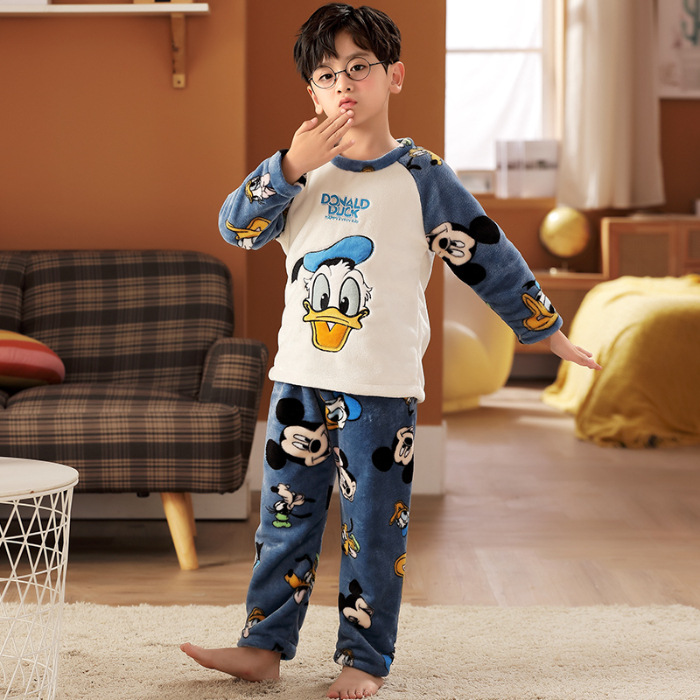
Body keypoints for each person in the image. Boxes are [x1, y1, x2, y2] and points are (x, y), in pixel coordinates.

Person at [180, 4, 601, 698]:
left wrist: (544, 328)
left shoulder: (424, 176)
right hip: (298, 383)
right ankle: (262, 647)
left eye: (359, 67)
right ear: (311, 93)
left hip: (380, 393)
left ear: (393, 76)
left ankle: (364, 660)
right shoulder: (297, 175)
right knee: (283, 524)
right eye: (326, 75)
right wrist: (289, 164)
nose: (344, 84)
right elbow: (237, 228)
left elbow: (488, 255)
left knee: (372, 531)